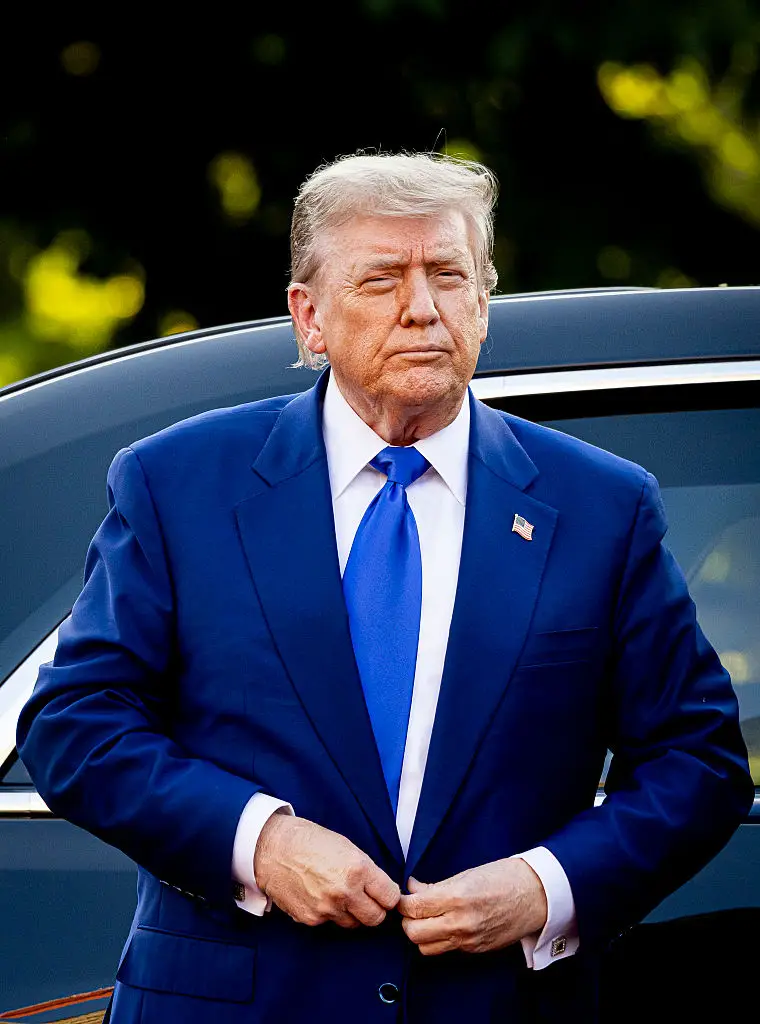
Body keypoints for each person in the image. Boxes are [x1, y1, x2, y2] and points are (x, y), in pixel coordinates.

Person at [17, 151, 753, 1024]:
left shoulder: (600, 506)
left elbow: (698, 758)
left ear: (483, 304)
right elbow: (75, 720)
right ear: (310, 318)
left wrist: (543, 888)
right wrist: (261, 842)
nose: (421, 307)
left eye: (448, 275)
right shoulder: (180, 484)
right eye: (380, 279)